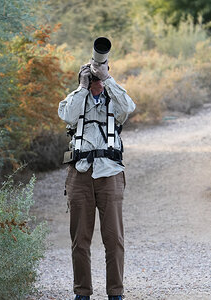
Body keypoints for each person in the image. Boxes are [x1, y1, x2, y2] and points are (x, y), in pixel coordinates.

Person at [58, 54, 135, 300]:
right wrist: (82, 87)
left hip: (110, 172)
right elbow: (67, 116)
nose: (95, 79)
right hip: (79, 174)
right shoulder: (74, 100)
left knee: (114, 238)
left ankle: (116, 292)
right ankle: (82, 293)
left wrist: (108, 79)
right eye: (91, 75)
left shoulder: (114, 100)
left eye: (99, 74)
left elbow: (129, 108)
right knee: (80, 239)